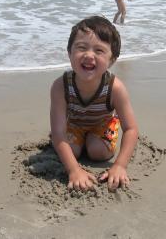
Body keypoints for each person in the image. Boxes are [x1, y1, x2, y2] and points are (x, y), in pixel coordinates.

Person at [50, 16, 138, 192]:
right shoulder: (61, 86)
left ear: (112, 60)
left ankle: (92, 139)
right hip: (74, 125)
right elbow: (58, 133)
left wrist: (120, 165)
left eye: (99, 51)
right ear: (69, 53)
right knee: (72, 151)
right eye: (81, 47)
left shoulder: (115, 88)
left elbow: (131, 129)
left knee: (97, 152)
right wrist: (74, 170)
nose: (89, 55)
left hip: (102, 124)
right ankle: (80, 142)